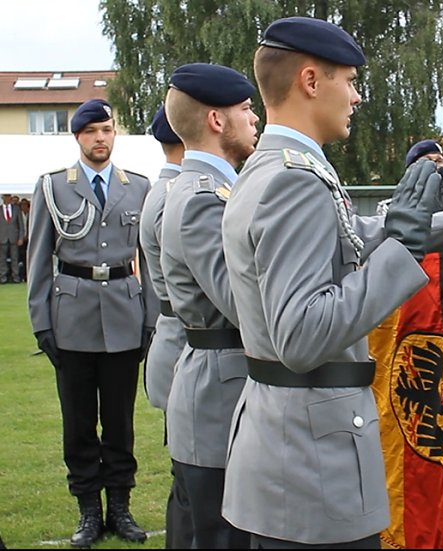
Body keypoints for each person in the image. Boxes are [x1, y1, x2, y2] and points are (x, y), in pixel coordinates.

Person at [219, 16, 443, 549]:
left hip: (292, 445)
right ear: (310, 81)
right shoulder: (294, 180)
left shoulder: (272, 168)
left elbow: (348, 240)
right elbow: (302, 336)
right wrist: (403, 253)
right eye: (348, 81)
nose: (355, 96)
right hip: (311, 459)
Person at [27, 98, 154, 547]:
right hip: (72, 319)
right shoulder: (53, 188)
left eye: (107, 129)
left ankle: (120, 508)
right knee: (78, 423)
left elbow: (149, 260)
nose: (101, 138)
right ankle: (87, 511)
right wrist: (42, 323)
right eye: (91, 131)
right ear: (77, 137)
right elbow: (38, 260)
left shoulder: (137, 187)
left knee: (120, 422)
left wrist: (150, 320)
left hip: (124, 314)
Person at [160, 62, 258, 549]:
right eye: (245, 109)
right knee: (222, 539)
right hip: (219, 394)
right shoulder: (203, 198)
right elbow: (245, 308)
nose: (255, 117)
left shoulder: (217, 190)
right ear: (217, 121)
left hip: (223, 382)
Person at [138, 104, 193, 549]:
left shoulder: (167, 190)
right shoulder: (176, 195)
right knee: (191, 491)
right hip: (183, 345)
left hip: (176, 340)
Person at [0, 194, 25, 283]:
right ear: (2, 198)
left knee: (15, 258)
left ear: (10, 198)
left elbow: (21, 225)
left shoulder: (16, 209)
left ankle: (16, 277)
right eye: (5, 197)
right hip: (2, 238)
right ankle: (3, 277)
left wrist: (21, 238)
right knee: (2, 259)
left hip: (14, 237)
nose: (6, 199)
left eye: (8, 197)